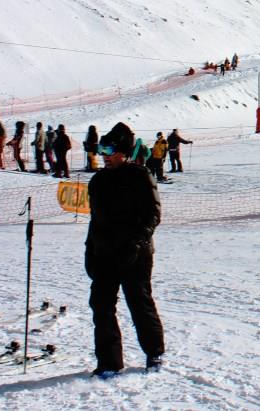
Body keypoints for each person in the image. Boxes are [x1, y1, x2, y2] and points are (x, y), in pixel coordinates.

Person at [85, 122, 164, 377]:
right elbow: (95, 219)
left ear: (123, 152)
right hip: (104, 254)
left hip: (135, 255)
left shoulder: (140, 176)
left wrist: (136, 244)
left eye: (109, 150)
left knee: (139, 303)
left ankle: (155, 352)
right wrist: (90, 250)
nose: (104, 156)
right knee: (101, 305)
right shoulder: (97, 181)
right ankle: (109, 363)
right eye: (101, 150)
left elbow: (152, 215)